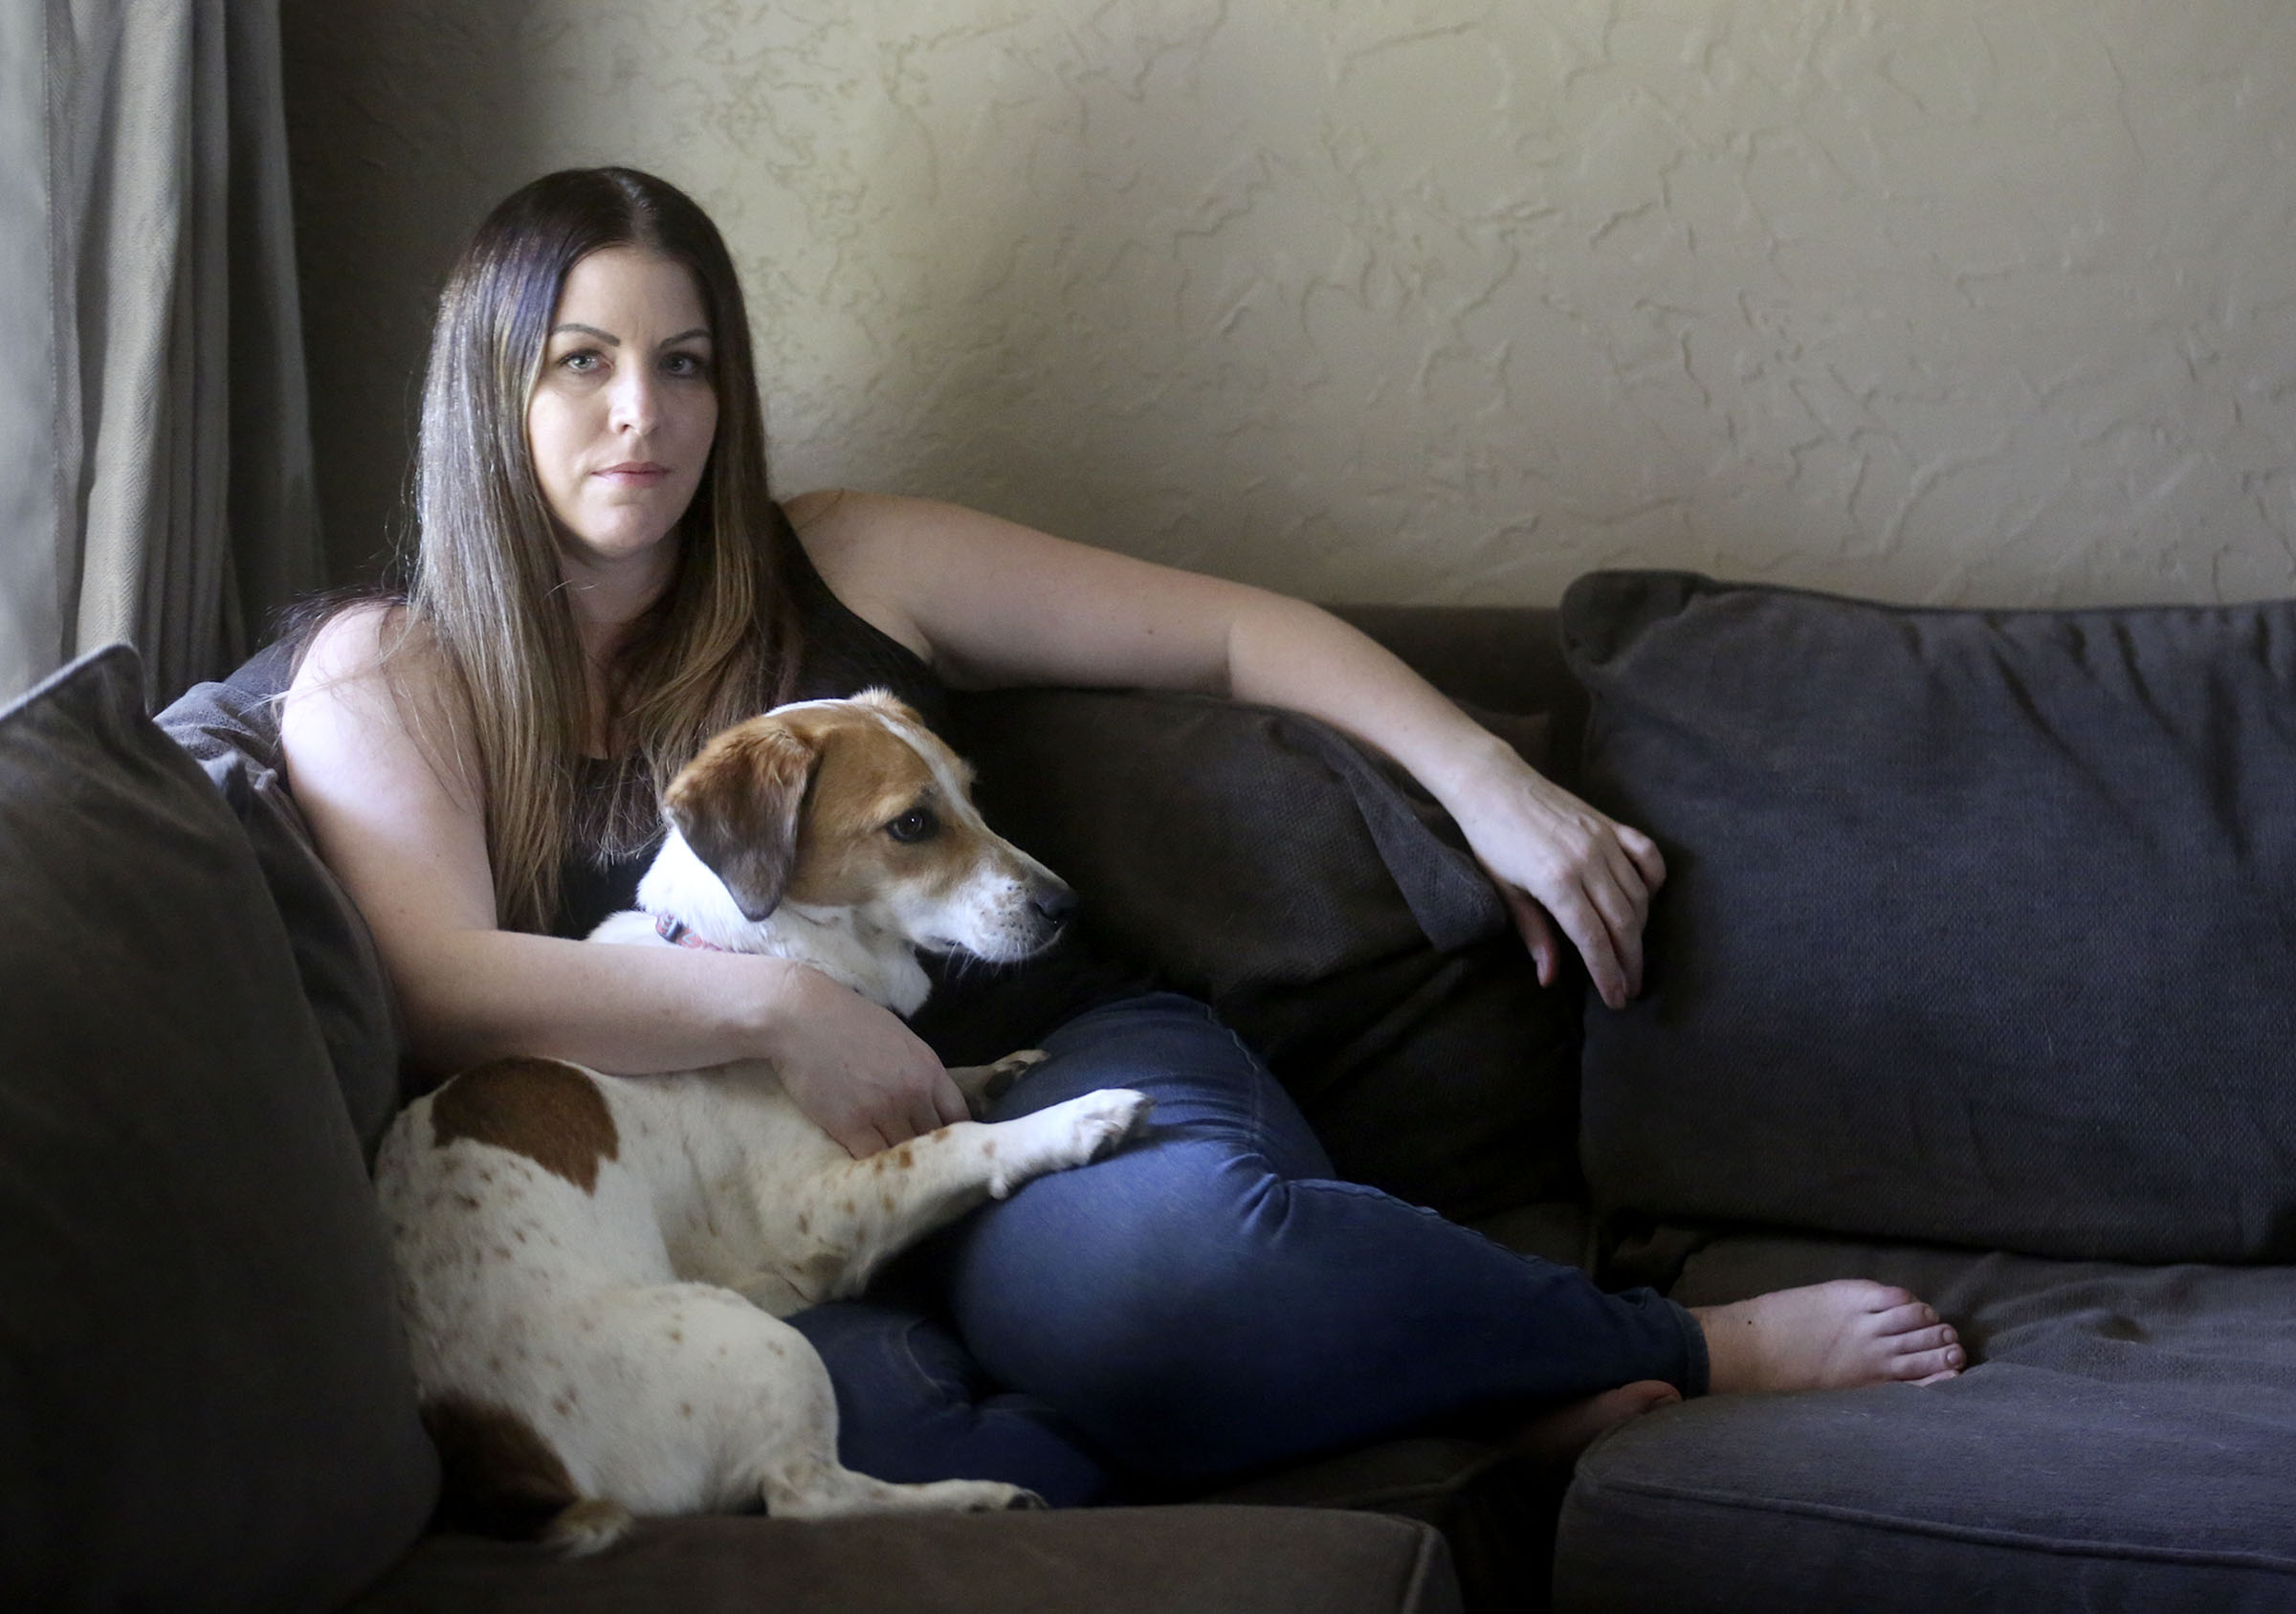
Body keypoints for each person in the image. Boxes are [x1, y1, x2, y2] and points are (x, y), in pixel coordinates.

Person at [281, 166, 1963, 1506]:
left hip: (1034, 1065)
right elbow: (436, 985)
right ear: (490, 383)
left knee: (1156, 1291)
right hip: (742, 1224)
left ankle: (1678, 1340)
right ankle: (1445, 1431)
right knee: (864, 1448)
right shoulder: (389, 674)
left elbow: (1229, 635)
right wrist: (782, 1008)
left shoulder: (850, 558)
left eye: (685, 360)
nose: (641, 413)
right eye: (581, 360)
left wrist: (1487, 782)